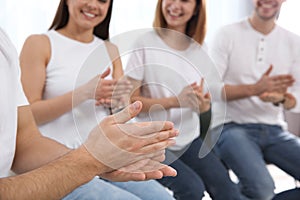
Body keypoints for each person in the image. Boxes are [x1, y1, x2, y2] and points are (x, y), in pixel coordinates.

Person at [19, 0, 176, 199]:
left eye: (102, 1)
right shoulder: (40, 43)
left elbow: (118, 110)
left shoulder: (110, 49)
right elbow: (29, 115)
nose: (94, 5)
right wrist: (83, 93)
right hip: (59, 161)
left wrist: (119, 99)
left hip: (106, 157)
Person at [125, 0, 243, 199]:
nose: (175, 5)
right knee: (191, 188)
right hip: (152, 143)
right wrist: (175, 101)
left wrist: (202, 104)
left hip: (188, 138)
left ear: (197, 8)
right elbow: (130, 102)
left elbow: (202, 103)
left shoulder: (201, 49)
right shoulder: (145, 43)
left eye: (185, 0)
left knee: (226, 188)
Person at [209, 0, 300, 199]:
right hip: (230, 127)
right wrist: (255, 89)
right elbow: (211, 89)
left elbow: (296, 98)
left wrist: (283, 99)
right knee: (262, 189)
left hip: (274, 129)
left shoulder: (293, 41)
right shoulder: (226, 34)